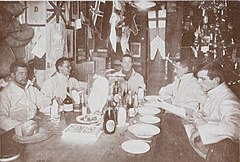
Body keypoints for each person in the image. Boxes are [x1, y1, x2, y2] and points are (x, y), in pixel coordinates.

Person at [189, 62, 240, 160]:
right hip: (205, 144)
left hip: (216, 151)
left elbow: (235, 128)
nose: (198, 82)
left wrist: (202, 130)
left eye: (203, 79)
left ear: (216, 80)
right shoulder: (213, 92)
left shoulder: (228, 100)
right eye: (198, 78)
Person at [0, 61, 51, 131]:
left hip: (35, 123)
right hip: (17, 129)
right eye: (21, 74)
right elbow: (1, 118)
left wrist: (52, 101)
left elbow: (41, 100)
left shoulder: (31, 88)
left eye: (26, 73)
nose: (25, 76)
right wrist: (20, 126)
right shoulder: (5, 94)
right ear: (12, 75)